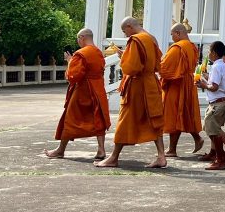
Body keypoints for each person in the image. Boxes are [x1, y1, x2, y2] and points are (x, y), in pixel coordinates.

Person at [95, 17, 167, 169]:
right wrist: (128, 55)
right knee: (154, 118)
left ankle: (113, 157)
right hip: (151, 83)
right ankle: (161, 156)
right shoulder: (151, 38)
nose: (125, 34)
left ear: (129, 26)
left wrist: (124, 58)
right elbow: (156, 62)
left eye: (124, 31)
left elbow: (131, 68)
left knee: (125, 119)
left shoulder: (135, 40)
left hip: (137, 85)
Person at [45, 28, 110, 161]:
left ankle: (60, 150)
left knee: (70, 118)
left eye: (78, 39)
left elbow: (73, 76)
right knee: (98, 118)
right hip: (98, 90)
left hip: (83, 91)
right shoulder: (98, 52)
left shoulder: (80, 54)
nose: (78, 42)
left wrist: (70, 61)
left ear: (82, 37)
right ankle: (101, 149)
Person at [160, 23, 204, 158]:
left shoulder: (177, 48)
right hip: (188, 84)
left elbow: (164, 68)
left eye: (172, 34)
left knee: (175, 114)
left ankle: (172, 149)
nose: (172, 37)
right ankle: (196, 139)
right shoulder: (192, 47)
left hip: (177, 84)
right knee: (185, 113)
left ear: (178, 33)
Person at [197, 40, 225, 170]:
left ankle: (220, 159)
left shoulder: (217, 67)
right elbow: (216, 83)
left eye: (209, 51)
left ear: (213, 53)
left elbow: (214, 87)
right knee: (212, 129)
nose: (208, 54)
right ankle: (219, 155)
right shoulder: (223, 65)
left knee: (214, 131)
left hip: (218, 102)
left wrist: (203, 85)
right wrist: (205, 79)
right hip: (221, 100)